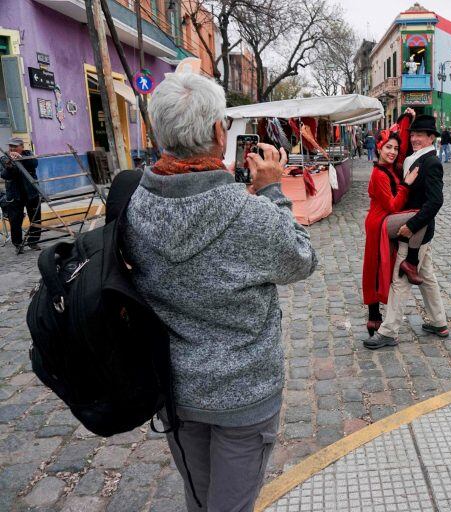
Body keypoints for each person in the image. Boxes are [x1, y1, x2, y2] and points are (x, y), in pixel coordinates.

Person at [124, 72, 317, 511]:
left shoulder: (132, 203)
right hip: (244, 395)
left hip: (173, 389)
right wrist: (271, 190)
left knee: (200, 500)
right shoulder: (252, 214)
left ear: (159, 133)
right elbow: (301, 259)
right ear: (218, 132)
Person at [365, 114, 447, 349]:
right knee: (427, 277)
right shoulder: (414, 158)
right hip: (419, 232)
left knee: (400, 280)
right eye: (412, 134)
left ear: (431, 137)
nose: (414, 138)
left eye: (419, 135)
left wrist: (410, 226)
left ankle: (389, 331)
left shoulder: (431, 163)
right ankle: (438, 321)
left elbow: (435, 202)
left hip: (415, 231)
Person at [362, 108, 427, 336]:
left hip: (385, 220)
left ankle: (377, 311)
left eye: (395, 147)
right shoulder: (379, 174)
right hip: (378, 222)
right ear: (378, 148)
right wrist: (406, 184)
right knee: (374, 266)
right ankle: (373, 315)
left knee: (383, 265)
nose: (393, 151)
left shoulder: (391, 167)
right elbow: (392, 206)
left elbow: (401, 152)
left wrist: (407, 119)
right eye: (388, 147)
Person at [1, 137, 41, 253]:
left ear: (22, 147)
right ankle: (18, 243)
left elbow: (34, 163)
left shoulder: (28, 154)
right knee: (15, 221)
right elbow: (5, 175)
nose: (12, 148)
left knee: (35, 218)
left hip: (31, 193)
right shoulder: (4, 158)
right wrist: (10, 165)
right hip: (14, 194)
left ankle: (33, 242)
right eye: (10, 146)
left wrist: (21, 159)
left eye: (15, 146)